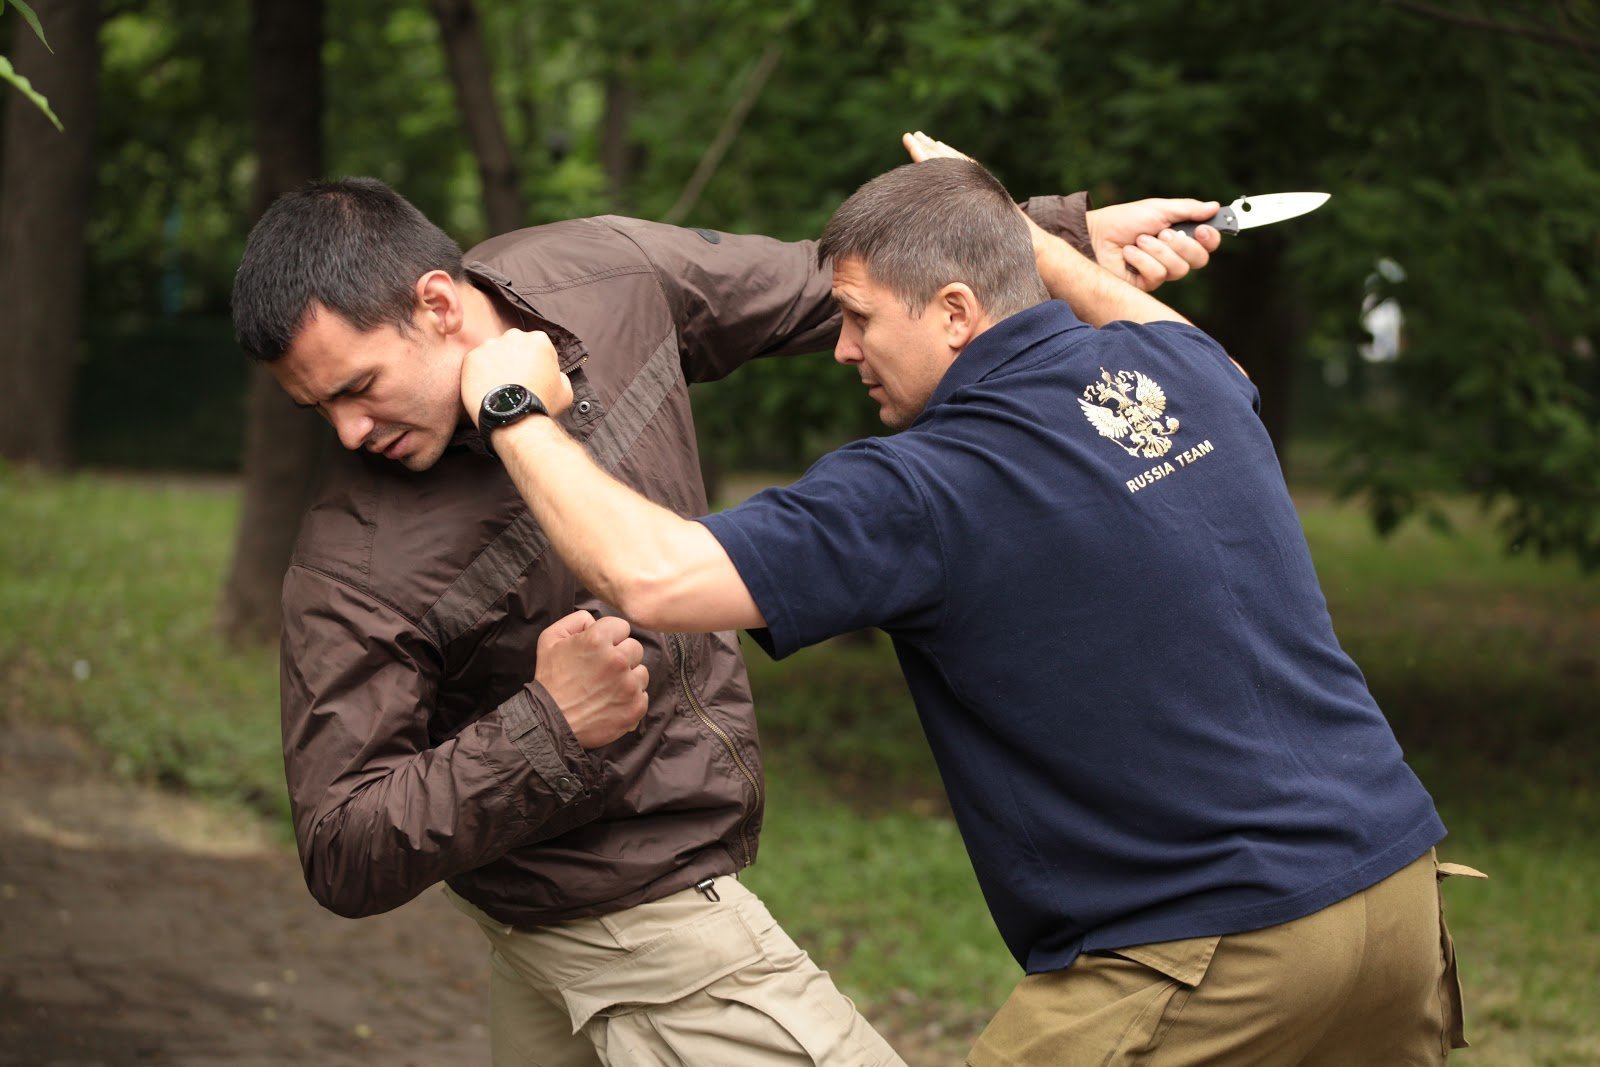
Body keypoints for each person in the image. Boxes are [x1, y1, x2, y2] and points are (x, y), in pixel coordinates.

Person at [454, 152, 1483, 1066]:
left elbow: (656, 576)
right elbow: (1194, 346)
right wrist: (1033, 240)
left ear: (953, 311)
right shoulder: (1175, 376)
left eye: (857, 317)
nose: (842, 348)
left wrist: (513, 408)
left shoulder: (924, 487)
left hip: (1207, 946)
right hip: (1395, 897)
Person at [229, 138, 1224, 1066]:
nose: (351, 432)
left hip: (581, 915)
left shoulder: (597, 273)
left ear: (440, 304)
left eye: (359, 385)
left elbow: (823, 290)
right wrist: (546, 726)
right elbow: (343, 844)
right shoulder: (353, 559)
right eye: (320, 409)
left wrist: (1049, 241)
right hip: (628, 912)